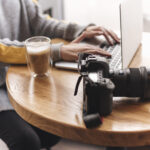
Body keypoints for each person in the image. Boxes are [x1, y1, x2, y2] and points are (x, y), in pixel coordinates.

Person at [0, 0, 120, 150]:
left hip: (22, 77)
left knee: (52, 130)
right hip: (3, 89)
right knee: (26, 141)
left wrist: (82, 30)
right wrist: (56, 51)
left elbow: (40, 22)